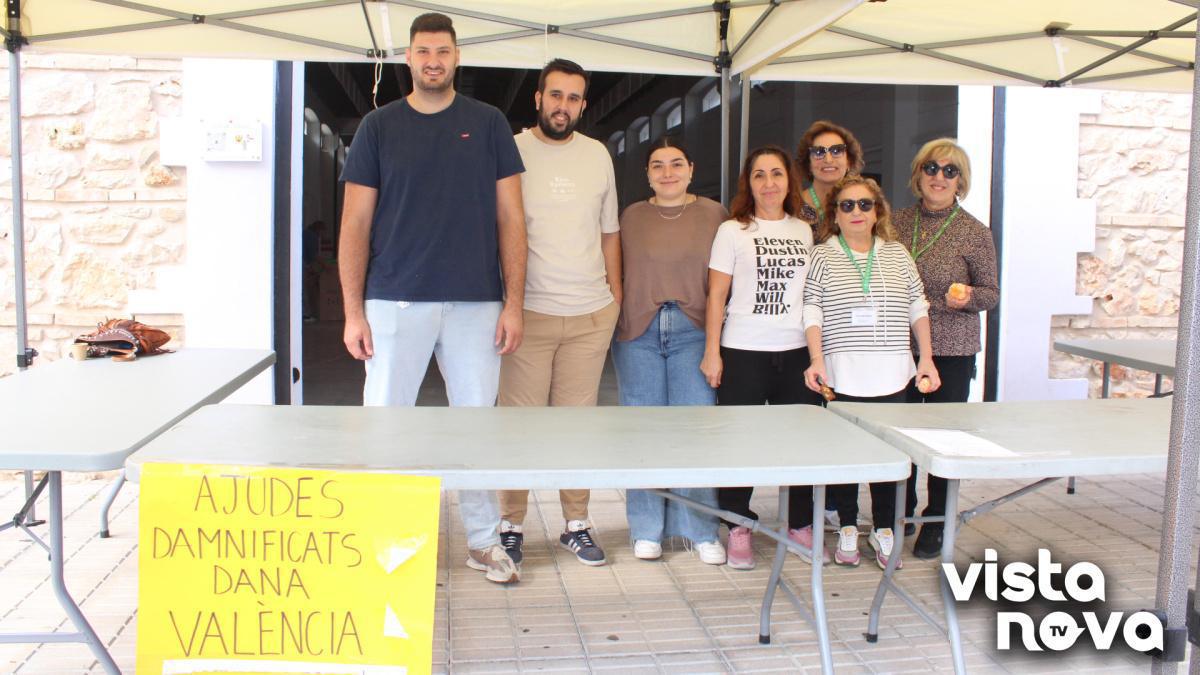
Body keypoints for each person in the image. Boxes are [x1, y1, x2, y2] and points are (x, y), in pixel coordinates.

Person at [338, 12, 526, 584]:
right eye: (423, 51)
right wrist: (351, 312)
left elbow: (512, 218)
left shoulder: (489, 123)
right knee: (388, 425)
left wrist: (513, 303)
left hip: (476, 301)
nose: (433, 61)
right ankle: (387, 543)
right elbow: (354, 222)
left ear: (456, 57)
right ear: (409, 57)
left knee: (475, 427)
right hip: (395, 299)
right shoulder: (378, 127)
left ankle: (483, 542)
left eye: (443, 51)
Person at [497, 58, 621, 568]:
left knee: (577, 427)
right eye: (555, 95)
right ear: (538, 98)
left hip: (590, 315)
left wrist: (614, 298)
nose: (562, 106)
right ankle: (510, 526)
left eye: (573, 98)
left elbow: (609, 232)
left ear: (583, 105)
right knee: (519, 428)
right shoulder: (511, 149)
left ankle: (576, 524)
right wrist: (508, 305)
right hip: (529, 313)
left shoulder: (597, 155)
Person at [803, 174, 939, 570]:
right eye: (847, 205)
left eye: (865, 204)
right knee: (846, 454)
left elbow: (918, 306)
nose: (856, 212)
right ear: (835, 215)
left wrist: (926, 358)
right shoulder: (822, 255)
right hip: (843, 374)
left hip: (894, 374)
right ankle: (847, 525)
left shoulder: (897, 253)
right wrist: (816, 359)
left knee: (890, 458)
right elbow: (811, 309)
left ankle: (884, 529)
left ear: (877, 211)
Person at [701, 145, 824, 571]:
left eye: (776, 174)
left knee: (801, 444)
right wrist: (712, 352)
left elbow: (811, 295)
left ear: (789, 181)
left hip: (794, 352)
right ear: (748, 183)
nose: (768, 183)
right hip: (743, 351)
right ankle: (738, 525)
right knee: (740, 444)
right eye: (759, 175)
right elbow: (716, 296)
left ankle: (800, 524)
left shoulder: (804, 230)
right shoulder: (732, 231)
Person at [613, 136, 728, 565]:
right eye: (658, 165)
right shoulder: (631, 216)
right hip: (638, 331)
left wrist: (716, 342)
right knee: (642, 431)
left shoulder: (715, 214)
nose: (668, 172)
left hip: (693, 331)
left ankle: (700, 529)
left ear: (691, 169)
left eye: (676, 163)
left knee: (694, 431)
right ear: (647, 174)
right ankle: (646, 528)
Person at [892, 139, 999, 559]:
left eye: (950, 171)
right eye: (931, 168)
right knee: (900, 433)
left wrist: (969, 296)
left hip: (952, 347)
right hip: (898, 345)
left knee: (941, 437)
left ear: (961, 181)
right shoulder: (896, 223)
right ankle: (897, 512)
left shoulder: (974, 231)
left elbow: (991, 293)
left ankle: (937, 519)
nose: (939, 177)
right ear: (918, 174)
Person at [796, 121, 865, 228]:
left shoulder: (865, 206)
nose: (828, 160)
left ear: (849, 161)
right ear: (808, 164)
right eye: (818, 152)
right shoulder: (791, 206)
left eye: (837, 151)